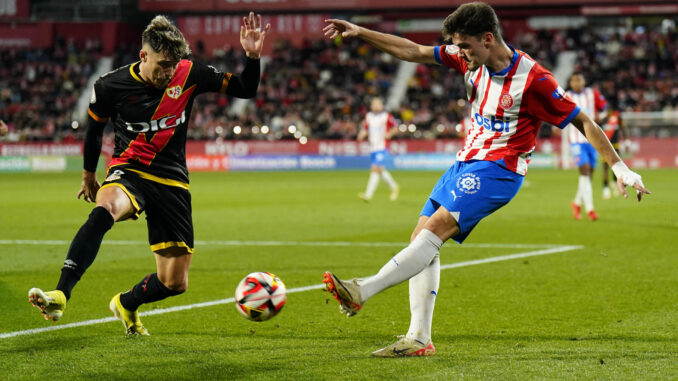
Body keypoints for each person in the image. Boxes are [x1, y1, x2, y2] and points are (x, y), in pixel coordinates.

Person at [321, 2, 650, 357]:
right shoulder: (468, 58)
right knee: (421, 239)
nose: (458, 52)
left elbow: (583, 120)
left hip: (499, 170)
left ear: (488, 39)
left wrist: (620, 168)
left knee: (436, 229)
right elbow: (414, 51)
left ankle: (361, 291)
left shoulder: (535, 80)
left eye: (464, 45)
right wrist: (361, 32)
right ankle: (419, 338)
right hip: (464, 163)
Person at [28, 13, 270, 335]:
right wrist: (89, 175)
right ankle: (60, 293)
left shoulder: (189, 74)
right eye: (163, 64)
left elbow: (245, 88)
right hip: (130, 171)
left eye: (174, 64)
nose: (169, 72)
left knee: (175, 282)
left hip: (172, 181)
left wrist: (252, 57)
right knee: (107, 208)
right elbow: (93, 132)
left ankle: (127, 302)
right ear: (144, 56)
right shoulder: (110, 85)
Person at [565, 72, 608, 220]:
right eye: (573, 80)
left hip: (591, 140)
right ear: (570, 83)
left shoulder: (592, 93)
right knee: (584, 172)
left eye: (579, 79)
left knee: (588, 176)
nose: (576, 83)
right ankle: (590, 210)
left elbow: (605, 108)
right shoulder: (565, 95)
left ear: (584, 81)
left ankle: (576, 203)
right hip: (576, 140)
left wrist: (599, 117)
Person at [357, 97, 400, 201]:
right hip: (373, 147)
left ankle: (368, 195)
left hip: (382, 146)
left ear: (382, 105)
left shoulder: (387, 116)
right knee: (380, 169)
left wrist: (390, 133)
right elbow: (366, 128)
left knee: (375, 168)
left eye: (378, 103)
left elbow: (396, 127)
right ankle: (394, 186)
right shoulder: (369, 116)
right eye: (374, 104)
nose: (375, 105)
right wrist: (361, 135)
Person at [600, 109, 629, 199]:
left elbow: (623, 129)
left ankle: (614, 183)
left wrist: (627, 141)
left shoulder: (617, 118)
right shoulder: (603, 120)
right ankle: (606, 188)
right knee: (605, 167)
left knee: (616, 167)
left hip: (616, 146)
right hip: (606, 147)